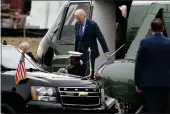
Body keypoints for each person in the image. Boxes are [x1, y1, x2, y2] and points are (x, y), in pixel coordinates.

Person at [134, 18, 170, 113]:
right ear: (162, 28)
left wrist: (138, 83)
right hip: (167, 83)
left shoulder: (145, 43)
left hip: (150, 85)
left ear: (151, 29)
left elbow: (139, 64)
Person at [74, 9, 110, 78]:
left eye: (78, 18)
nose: (77, 20)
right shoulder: (77, 24)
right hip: (81, 51)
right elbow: (77, 40)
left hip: (91, 51)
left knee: (89, 69)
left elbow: (101, 38)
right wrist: (75, 53)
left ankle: (90, 82)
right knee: (81, 69)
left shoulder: (92, 25)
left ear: (84, 16)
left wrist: (106, 51)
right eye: (76, 18)